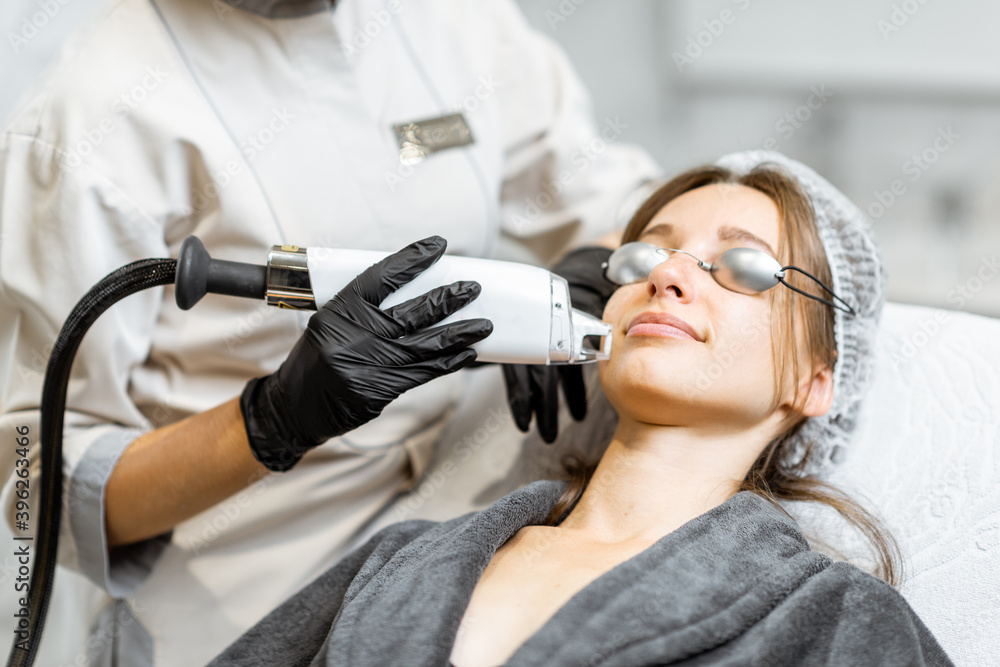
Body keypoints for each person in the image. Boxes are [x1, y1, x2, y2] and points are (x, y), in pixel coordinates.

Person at [0, 0, 660, 663]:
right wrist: (267, 422)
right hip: (255, 591)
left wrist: (589, 274)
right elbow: (38, 489)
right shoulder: (87, 118)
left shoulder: (456, 21)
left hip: (472, 515)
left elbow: (637, 209)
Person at [206, 151, 955, 667]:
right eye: (638, 257)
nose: (666, 273)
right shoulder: (402, 560)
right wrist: (273, 416)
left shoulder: (841, 618)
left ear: (818, 381)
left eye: (741, 264)